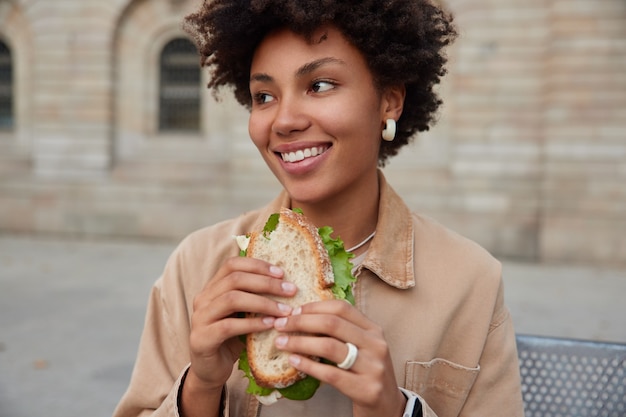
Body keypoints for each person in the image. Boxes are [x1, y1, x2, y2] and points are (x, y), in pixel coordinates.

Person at [113, 1, 524, 416]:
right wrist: (200, 387)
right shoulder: (196, 265)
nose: (285, 120)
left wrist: (397, 410)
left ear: (390, 101)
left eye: (320, 85)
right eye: (264, 95)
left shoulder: (472, 281)